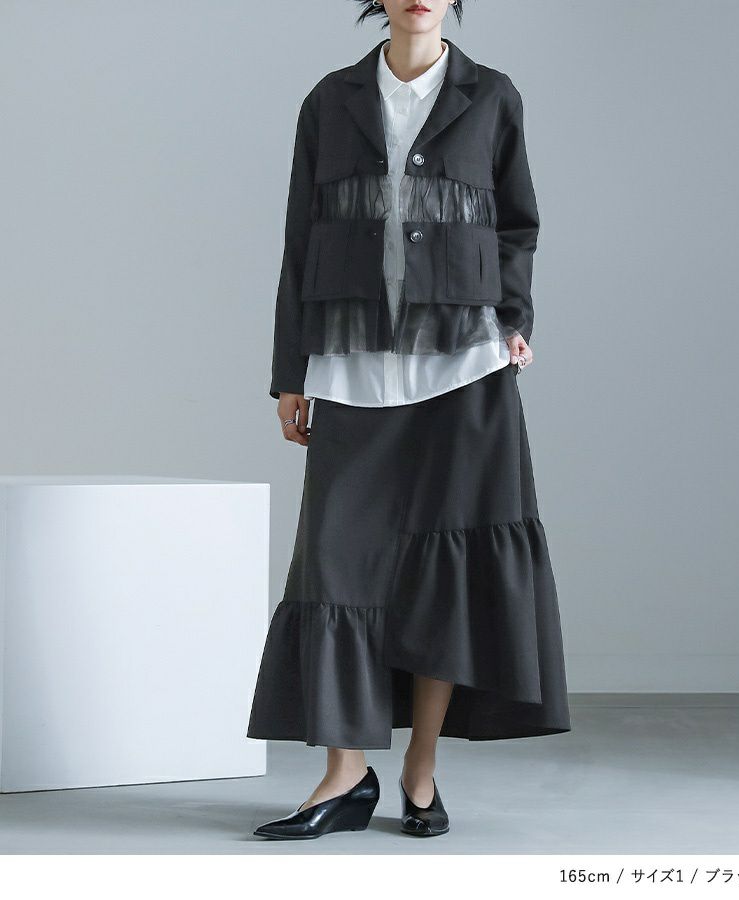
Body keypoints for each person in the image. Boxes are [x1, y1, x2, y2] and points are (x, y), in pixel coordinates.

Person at [247, 0, 570, 840]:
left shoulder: (490, 95)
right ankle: (344, 775)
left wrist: (513, 319)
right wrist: (290, 372)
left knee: (444, 574)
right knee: (337, 565)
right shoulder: (331, 99)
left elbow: (517, 224)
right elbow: (298, 237)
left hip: (463, 367)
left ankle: (420, 770)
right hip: (351, 363)